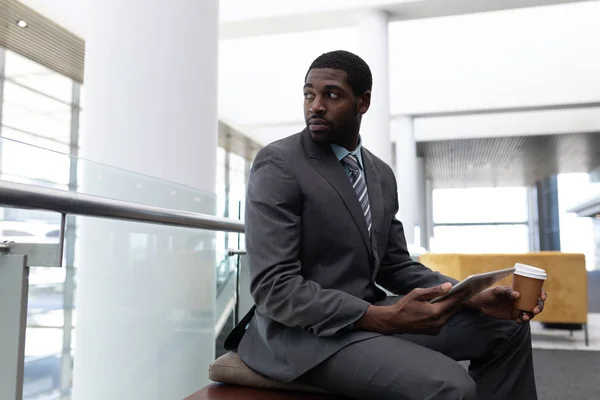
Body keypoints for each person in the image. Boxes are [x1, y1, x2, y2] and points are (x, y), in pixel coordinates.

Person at [224, 50, 546, 400]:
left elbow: (395, 264)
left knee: (507, 328)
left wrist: (471, 296)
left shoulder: (380, 174)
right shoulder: (279, 163)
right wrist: (381, 317)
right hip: (303, 336)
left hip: (370, 319)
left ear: (363, 103)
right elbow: (275, 288)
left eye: (331, 95)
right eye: (308, 94)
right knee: (453, 386)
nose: (315, 105)